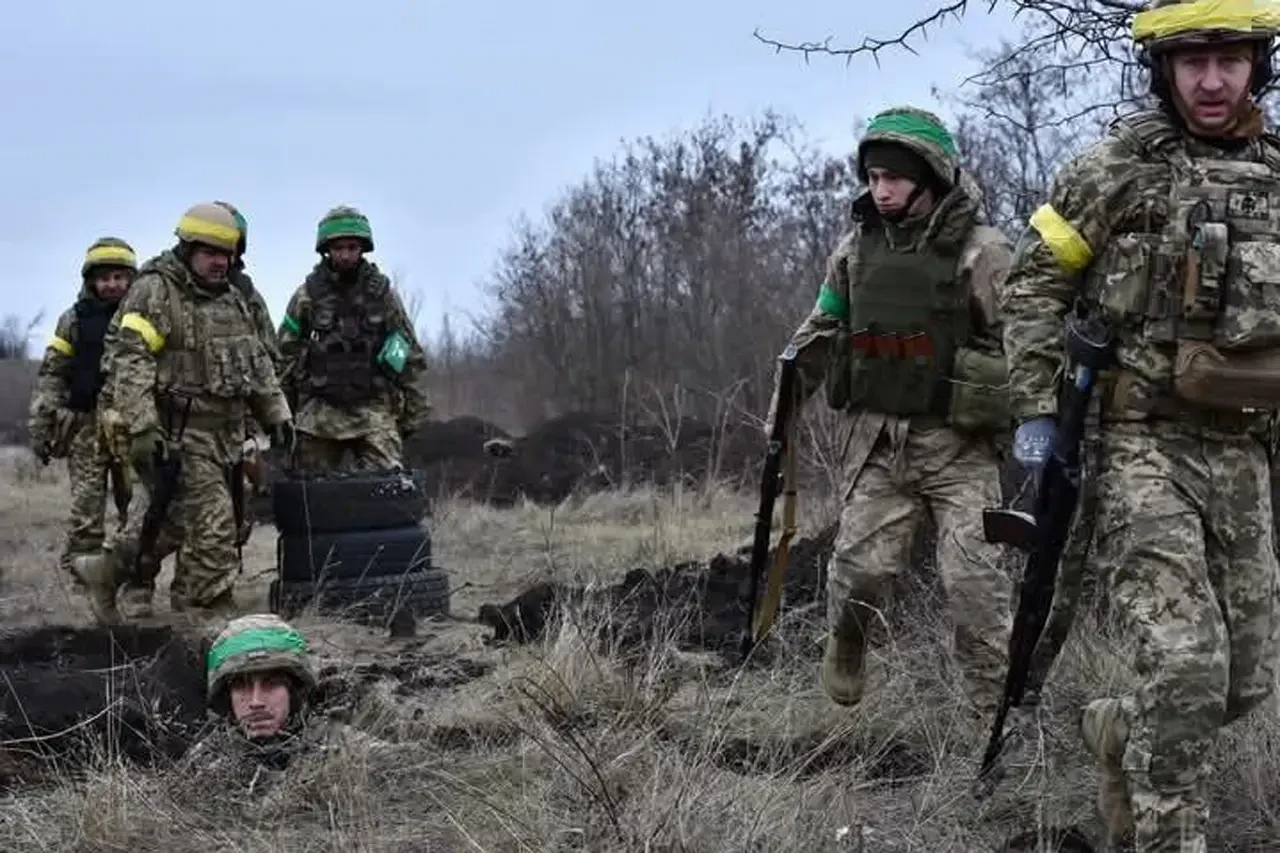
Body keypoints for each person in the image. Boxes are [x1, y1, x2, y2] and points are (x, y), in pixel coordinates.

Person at [1000, 1, 1280, 848]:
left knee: (1244, 680)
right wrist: (1036, 415)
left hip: (1244, 448)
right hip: (1138, 445)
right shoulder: (1112, 171)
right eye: (1193, 61)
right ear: (1164, 69)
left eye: (1230, 60)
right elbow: (1032, 286)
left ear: (1258, 65)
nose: (1212, 80)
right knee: (1188, 662)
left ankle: (1122, 729)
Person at [767, 106, 1016, 731]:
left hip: (959, 446)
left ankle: (995, 724)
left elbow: (1025, 342)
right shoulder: (856, 250)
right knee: (859, 574)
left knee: (975, 587)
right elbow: (821, 330)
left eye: (894, 178)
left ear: (930, 178)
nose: (880, 191)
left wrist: (1031, 417)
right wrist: (783, 412)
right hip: (880, 444)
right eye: (874, 177)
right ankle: (847, 638)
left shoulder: (984, 252)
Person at [75, 203, 295, 625]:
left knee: (173, 522)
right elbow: (131, 359)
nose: (220, 261)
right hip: (178, 434)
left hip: (225, 435)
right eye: (211, 252)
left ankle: (106, 571)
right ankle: (206, 611)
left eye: (226, 253)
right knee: (214, 524)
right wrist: (142, 426)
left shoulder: (233, 299)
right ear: (188, 248)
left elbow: (257, 363)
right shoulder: (155, 291)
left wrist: (276, 413)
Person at [276, 205, 430, 472]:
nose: (345, 255)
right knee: (310, 488)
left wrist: (414, 412)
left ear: (362, 249)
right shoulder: (307, 296)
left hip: (373, 410)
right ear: (327, 250)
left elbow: (406, 352)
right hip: (319, 414)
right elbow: (285, 355)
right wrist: (281, 414)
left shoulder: (383, 296)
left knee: (388, 483)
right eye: (338, 248)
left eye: (352, 247)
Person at [27, 237, 139, 582]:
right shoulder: (73, 319)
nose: (112, 285)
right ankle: (82, 580)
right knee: (86, 511)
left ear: (132, 279)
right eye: (104, 278)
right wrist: (41, 423)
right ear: (91, 281)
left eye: (120, 277)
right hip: (86, 427)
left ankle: (132, 578)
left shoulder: (141, 318)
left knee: (136, 508)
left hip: (132, 425)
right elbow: (53, 373)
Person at [184, 613, 382, 786]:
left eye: (271, 684)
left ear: (295, 691)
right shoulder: (206, 762)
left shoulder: (345, 747)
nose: (255, 702)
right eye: (242, 686)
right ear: (227, 697)